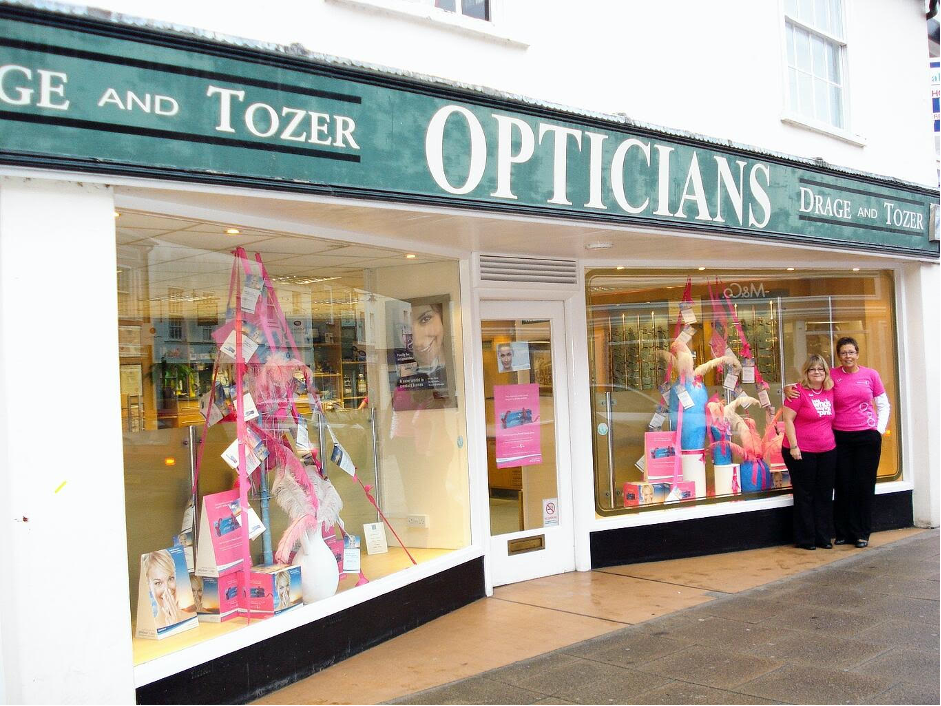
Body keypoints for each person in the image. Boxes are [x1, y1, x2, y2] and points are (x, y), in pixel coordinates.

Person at [830, 337, 890, 548]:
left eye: (851, 352)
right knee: (843, 484)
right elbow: (812, 388)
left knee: (863, 485)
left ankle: (862, 532)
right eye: (843, 353)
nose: (848, 356)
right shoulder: (832, 375)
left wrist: (878, 431)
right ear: (839, 356)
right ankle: (843, 532)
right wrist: (791, 390)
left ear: (857, 354)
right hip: (840, 437)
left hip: (867, 437)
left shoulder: (870, 375)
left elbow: (883, 404)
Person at [781, 355, 837, 551]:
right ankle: (806, 539)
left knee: (824, 494)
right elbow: (787, 420)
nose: (817, 373)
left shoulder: (829, 390)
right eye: (812, 369)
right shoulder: (797, 392)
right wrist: (794, 447)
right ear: (806, 372)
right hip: (801, 451)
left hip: (827, 450)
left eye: (821, 369)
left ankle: (823, 537)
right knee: (805, 494)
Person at [143, 549, 183, 628]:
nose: (166, 589)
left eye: (170, 578)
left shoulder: (192, 617)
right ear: (148, 585)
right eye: (158, 583)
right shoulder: (151, 627)